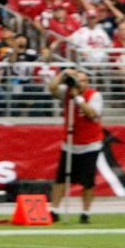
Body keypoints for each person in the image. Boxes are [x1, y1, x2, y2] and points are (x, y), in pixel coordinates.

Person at [47, 67, 102, 224]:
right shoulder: (67, 92)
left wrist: (78, 97)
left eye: (84, 80)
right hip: (70, 143)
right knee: (61, 179)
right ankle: (54, 210)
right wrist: (63, 75)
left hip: (90, 144)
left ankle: (85, 212)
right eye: (79, 79)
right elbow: (52, 88)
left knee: (88, 181)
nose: (80, 83)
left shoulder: (94, 95)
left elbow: (91, 114)